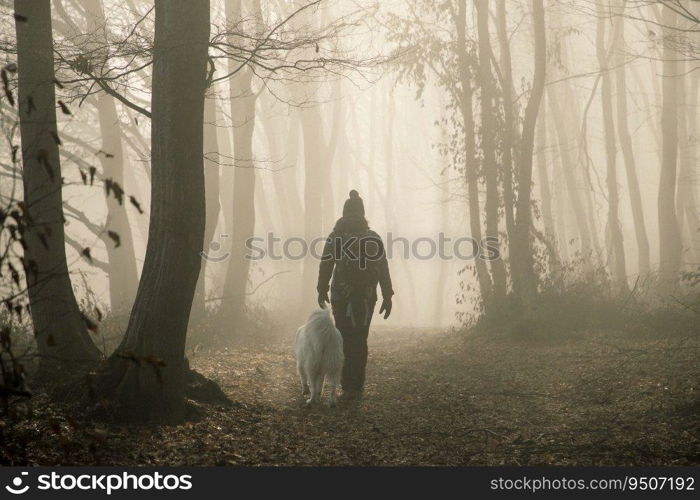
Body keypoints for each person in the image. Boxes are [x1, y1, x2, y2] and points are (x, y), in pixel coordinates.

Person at [317, 190, 394, 401]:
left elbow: (326, 264)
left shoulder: (336, 237)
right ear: (362, 213)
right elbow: (382, 267)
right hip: (367, 296)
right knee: (360, 338)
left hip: (341, 296)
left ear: (344, 213)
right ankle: (357, 387)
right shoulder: (373, 237)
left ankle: (346, 384)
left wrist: (321, 288)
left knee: (343, 338)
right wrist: (387, 295)